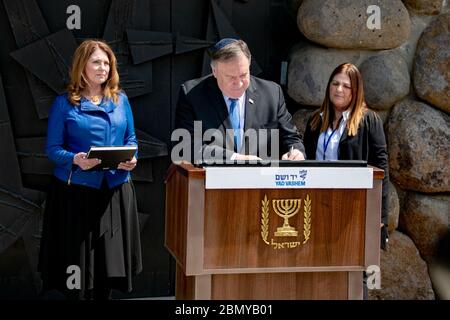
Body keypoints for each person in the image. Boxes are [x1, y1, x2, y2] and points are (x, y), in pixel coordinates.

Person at [38, 39, 142, 300]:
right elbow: (52, 149)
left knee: (108, 264)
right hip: (77, 193)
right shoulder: (65, 103)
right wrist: (76, 159)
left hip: (115, 191)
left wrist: (132, 158)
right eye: (96, 61)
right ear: (81, 66)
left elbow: (131, 139)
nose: (103, 67)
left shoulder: (120, 100)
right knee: (78, 264)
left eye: (107, 63)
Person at [175, 38, 305, 163]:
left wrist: (296, 152)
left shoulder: (271, 93)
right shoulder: (192, 95)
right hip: (212, 180)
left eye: (243, 75)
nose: (238, 83)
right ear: (215, 71)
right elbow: (187, 147)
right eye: (230, 77)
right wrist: (235, 159)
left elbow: (291, 137)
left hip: (261, 180)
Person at [303, 62, 389, 249]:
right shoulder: (316, 120)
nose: (339, 89)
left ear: (355, 91)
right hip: (316, 205)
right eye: (335, 84)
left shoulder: (368, 121)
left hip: (352, 207)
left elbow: (381, 170)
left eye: (346, 86)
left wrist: (380, 216)